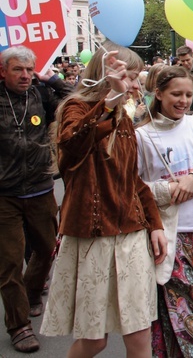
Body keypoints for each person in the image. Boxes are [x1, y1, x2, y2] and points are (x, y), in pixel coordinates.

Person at [41, 42, 168, 357]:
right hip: (93, 235)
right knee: (94, 340)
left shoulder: (125, 114)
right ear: (107, 75)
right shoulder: (77, 107)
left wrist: (155, 224)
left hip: (132, 233)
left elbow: (132, 179)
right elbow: (71, 149)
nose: (137, 85)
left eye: (137, 77)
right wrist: (110, 100)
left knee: (139, 335)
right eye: (131, 76)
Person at [135, 66, 193, 356]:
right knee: (189, 316)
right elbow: (132, 189)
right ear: (159, 94)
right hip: (169, 238)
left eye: (188, 94)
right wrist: (165, 191)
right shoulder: (141, 136)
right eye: (176, 94)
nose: (183, 100)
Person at [0, 46, 72, 353]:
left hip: (41, 188)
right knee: (10, 263)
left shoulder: (42, 94)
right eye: (19, 69)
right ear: (3, 71)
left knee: (46, 248)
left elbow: (75, 99)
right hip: (5, 195)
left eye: (30, 70)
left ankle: (30, 295)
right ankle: (18, 326)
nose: (26, 76)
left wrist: (52, 78)